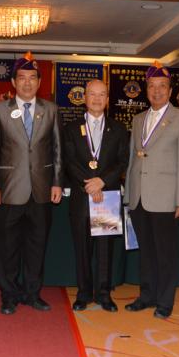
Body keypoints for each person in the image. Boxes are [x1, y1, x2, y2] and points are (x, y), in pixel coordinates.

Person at [0, 51, 64, 315]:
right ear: (13, 82)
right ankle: (8, 296)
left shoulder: (51, 110)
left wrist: (56, 182)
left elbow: (57, 150)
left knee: (36, 247)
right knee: (7, 248)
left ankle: (32, 293)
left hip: (41, 191)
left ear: (39, 82)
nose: (27, 83)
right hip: (8, 190)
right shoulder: (0, 110)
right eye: (22, 78)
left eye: (32, 78)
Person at [124, 61, 179, 319]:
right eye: (152, 86)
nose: (157, 91)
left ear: (170, 90)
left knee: (166, 254)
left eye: (162, 86)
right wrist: (129, 195)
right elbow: (134, 159)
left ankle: (165, 301)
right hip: (139, 197)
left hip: (166, 199)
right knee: (146, 251)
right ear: (146, 90)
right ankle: (147, 296)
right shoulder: (138, 119)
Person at [63, 79, 129, 312]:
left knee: (105, 249)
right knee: (82, 249)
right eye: (92, 94)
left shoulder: (118, 128)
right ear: (84, 98)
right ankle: (83, 293)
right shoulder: (71, 128)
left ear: (108, 99)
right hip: (82, 197)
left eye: (102, 94)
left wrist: (103, 181)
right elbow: (69, 161)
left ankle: (104, 294)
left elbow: (123, 161)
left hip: (107, 198)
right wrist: (90, 185)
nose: (97, 99)